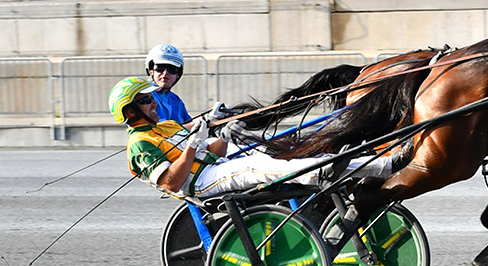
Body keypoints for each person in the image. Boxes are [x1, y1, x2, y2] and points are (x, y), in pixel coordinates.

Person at [109, 77, 395, 199]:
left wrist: (220, 132)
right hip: (198, 184)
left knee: (276, 152)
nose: (154, 103)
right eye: (146, 101)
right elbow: (172, 181)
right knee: (253, 168)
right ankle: (315, 174)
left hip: (214, 167)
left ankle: (382, 165)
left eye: (151, 98)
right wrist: (194, 143)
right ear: (131, 112)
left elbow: (215, 150)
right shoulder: (139, 145)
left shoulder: (169, 125)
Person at [144, 44, 192, 125]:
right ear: (151, 71)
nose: (165, 73)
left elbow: (190, 124)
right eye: (159, 68)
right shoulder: (143, 96)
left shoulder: (176, 100)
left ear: (178, 75)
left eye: (172, 69)